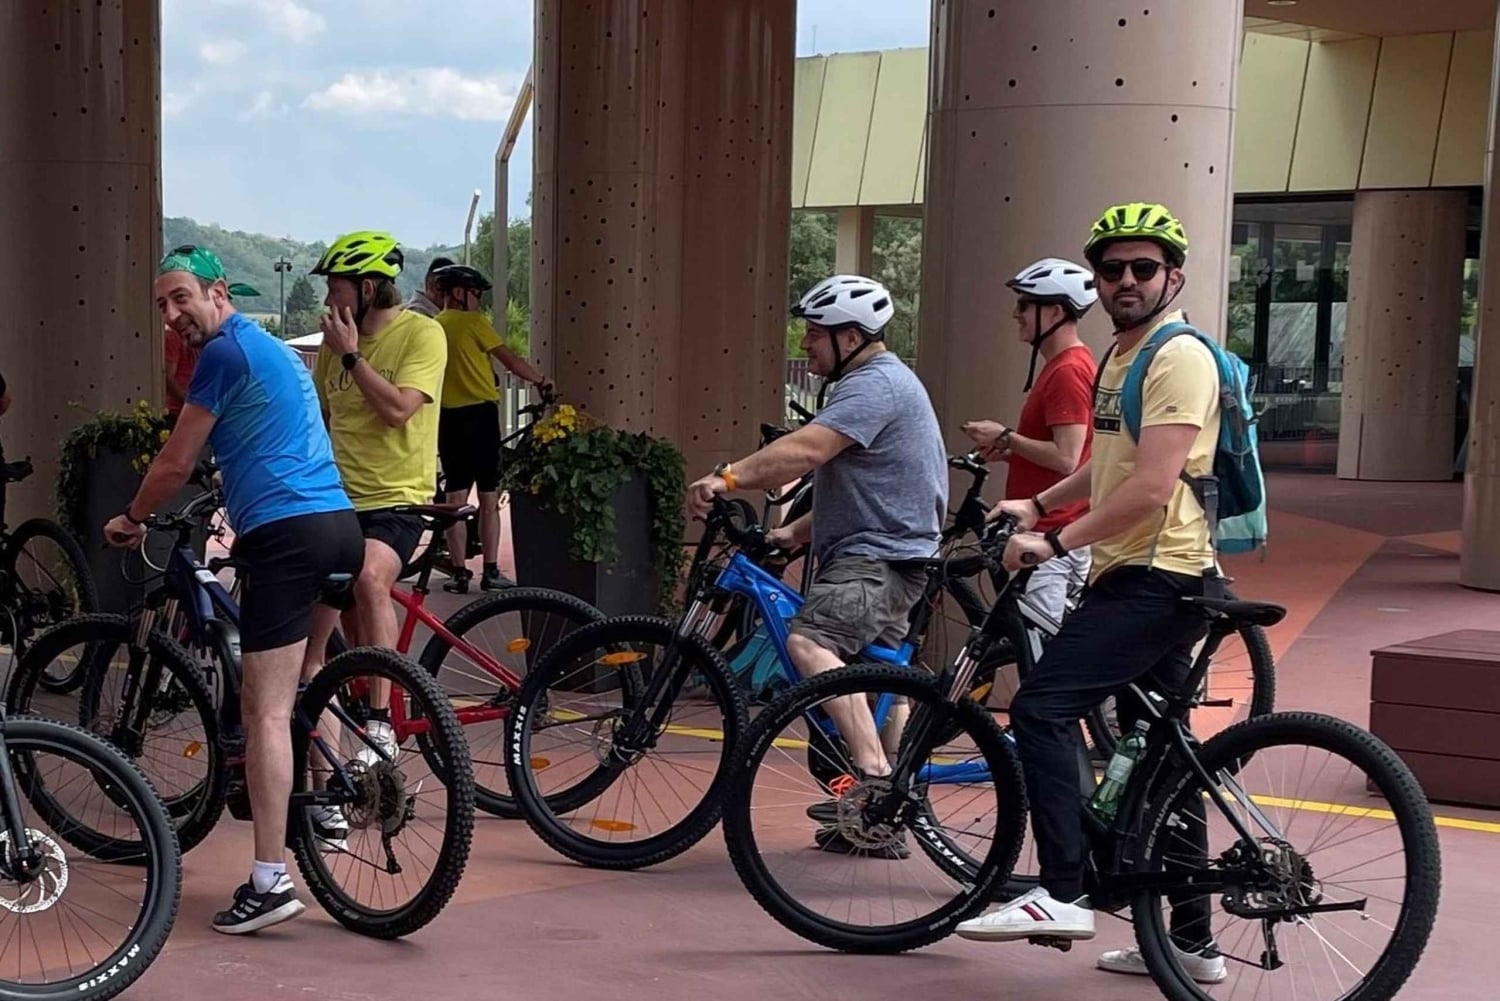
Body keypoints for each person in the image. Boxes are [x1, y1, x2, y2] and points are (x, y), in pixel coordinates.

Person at [955, 202, 1227, 986]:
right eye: (1114, 270)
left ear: (1173, 275)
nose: (1128, 280)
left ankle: (1062, 889)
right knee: (1161, 763)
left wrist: (1053, 539)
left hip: (1157, 576)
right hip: (1141, 572)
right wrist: (1038, 503)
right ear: (1097, 282)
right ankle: (1191, 942)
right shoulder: (1120, 356)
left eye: (1145, 268)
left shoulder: (1178, 357)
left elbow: (1148, 488)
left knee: (1040, 708)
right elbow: (1108, 467)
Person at [103, 245, 363, 934]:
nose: (172, 313)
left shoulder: (223, 354)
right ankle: (330, 805)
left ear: (218, 290)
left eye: (180, 296)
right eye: (161, 304)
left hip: (285, 535)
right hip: (339, 526)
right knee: (311, 676)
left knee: (266, 709)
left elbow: (174, 459)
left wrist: (132, 517)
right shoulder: (276, 351)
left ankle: (269, 880)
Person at [687, 274, 947, 855]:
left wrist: (725, 477)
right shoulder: (881, 383)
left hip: (875, 563)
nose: (805, 344)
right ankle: (881, 825)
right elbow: (866, 487)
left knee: (810, 643)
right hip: (895, 556)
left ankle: (875, 782)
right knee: (886, 686)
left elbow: (805, 451)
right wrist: (794, 534)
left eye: (814, 334)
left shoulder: (872, 386)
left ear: (850, 336)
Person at [304, 231, 446, 768]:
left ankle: (380, 723)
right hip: (339, 502)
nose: (327, 303)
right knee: (324, 612)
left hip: (399, 500)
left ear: (367, 288)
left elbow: (399, 410)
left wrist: (351, 357)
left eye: (335, 290)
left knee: (368, 579)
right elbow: (318, 421)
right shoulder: (330, 351)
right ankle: (333, 776)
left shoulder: (421, 335)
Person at [962, 257, 1098, 623]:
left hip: (1048, 530)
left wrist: (1006, 437)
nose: (1015, 314)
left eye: (1025, 305)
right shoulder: (1065, 364)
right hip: (1057, 526)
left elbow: (1067, 457)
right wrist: (1009, 451)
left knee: (1038, 653)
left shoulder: (1068, 370)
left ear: (1054, 312)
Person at [430, 263, 551, 593]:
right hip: (481, 416)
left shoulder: (434, 327)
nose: (478, 301)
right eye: (475, 294)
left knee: (455, 495)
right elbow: (509, 359)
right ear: (458, 292)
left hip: (447, 418)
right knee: (488, 495)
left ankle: (458, 573)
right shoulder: (473, 322)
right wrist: (541, 381)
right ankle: (491, 571)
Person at [163, 323, 201, 421]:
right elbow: (168, 377)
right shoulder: (173, 337)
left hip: (192, 411)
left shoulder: (198, 340)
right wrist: (190, 402)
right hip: (176, 413)